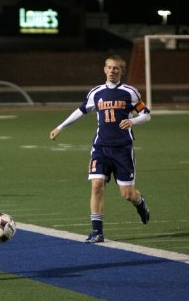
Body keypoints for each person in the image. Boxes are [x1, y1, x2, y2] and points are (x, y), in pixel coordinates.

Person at [49, 54, 151, 243]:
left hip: (122, 149)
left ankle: (140, 202)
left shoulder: (131, 92)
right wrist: (60, 127)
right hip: (100, 148)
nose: (112, 71)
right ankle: (97, 232)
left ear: (122, 71)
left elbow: (146, 114)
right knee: (96, 186)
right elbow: (81, 111)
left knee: (127, 194)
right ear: (104, 69)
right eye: (109, 67)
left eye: (116, 68)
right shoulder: (96, 93)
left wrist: (132, 120)